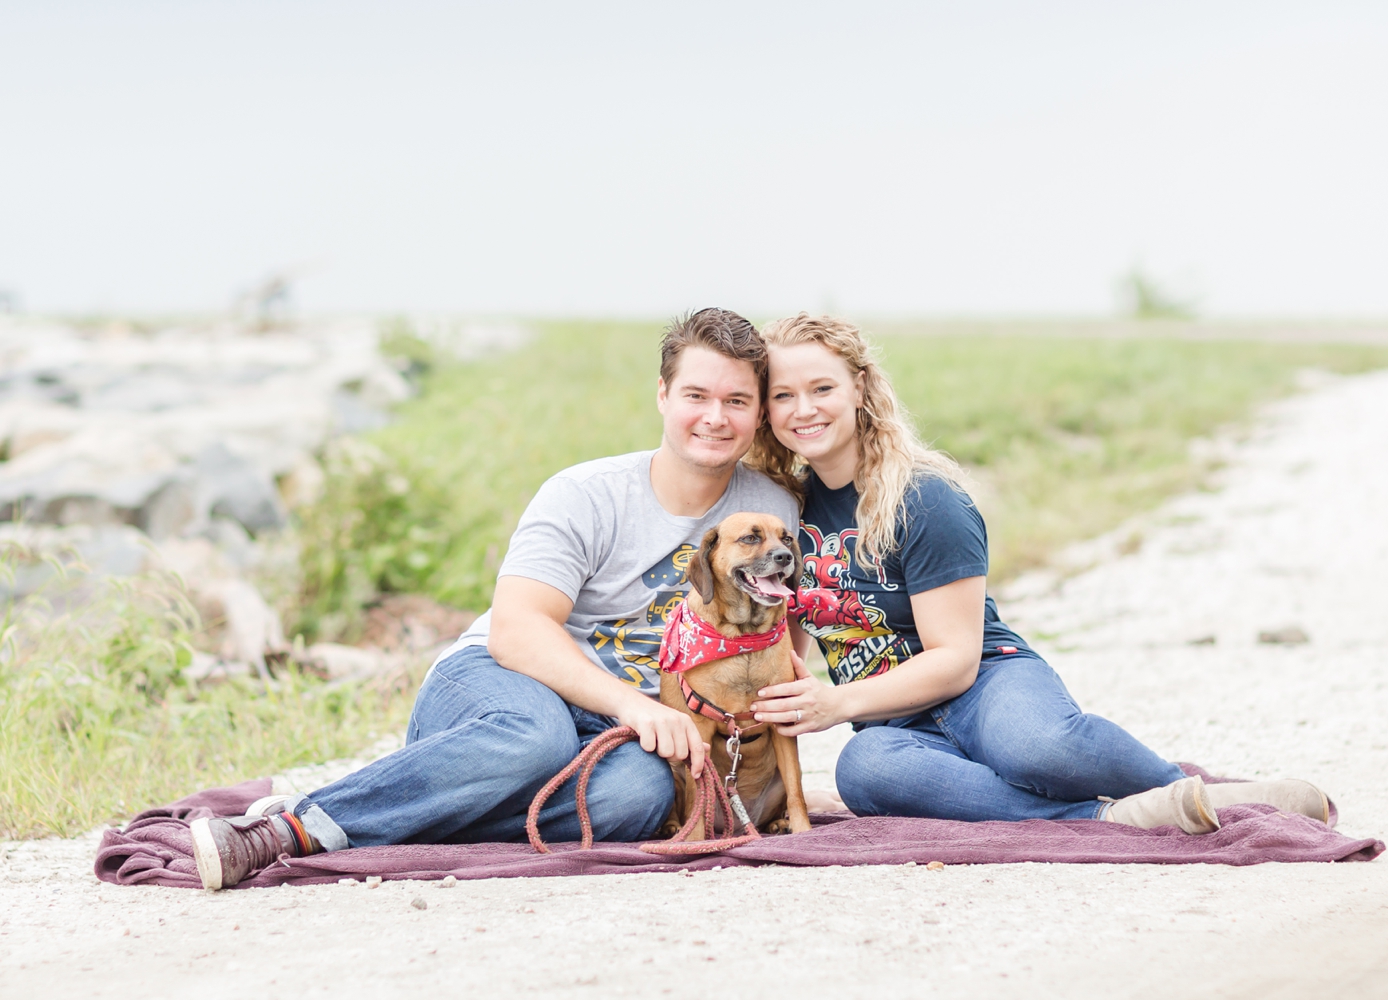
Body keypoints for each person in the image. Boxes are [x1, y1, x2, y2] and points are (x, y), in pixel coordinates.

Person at [189, 308, 799, 889]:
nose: (715, 416)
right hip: (500, 684)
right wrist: (634, 707)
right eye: (697, 395)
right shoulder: (586, 495)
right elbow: (516, 631)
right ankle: (286, 828)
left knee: (639, 797)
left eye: (736, 401)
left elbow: (781, 642)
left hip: (614, 733)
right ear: (664, 395)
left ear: (756, 413)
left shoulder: (771, 512)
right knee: (537, 737)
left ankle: (410, 814)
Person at [745, 314, 1330, 833]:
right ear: (767, 410)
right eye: (784, 395)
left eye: (822, 388)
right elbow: (785, 658)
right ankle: (1104, 818)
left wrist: (839, 702)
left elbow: (955, 660)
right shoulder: (779, 517)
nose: (804, 409)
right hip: (896, 727)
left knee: (1036, 749)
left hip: (985, 687)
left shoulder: (924, 499)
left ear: (859, 390)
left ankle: (1192, 790)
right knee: (864, 772)